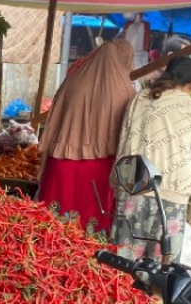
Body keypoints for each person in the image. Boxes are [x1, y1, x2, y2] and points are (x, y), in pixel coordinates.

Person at [112, 56, 191, 260]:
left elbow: (123, 143)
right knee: (162, 267)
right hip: (171, 197)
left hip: (133, 189)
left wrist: (116, 183)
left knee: (123, 263)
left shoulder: (139, 99)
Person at [37, 39, 137, 235]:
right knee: (89, 236)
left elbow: (51, 126)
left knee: (51, 234)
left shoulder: (72, 81)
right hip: (99, 171)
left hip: (61, 164)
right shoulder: (125, 90)